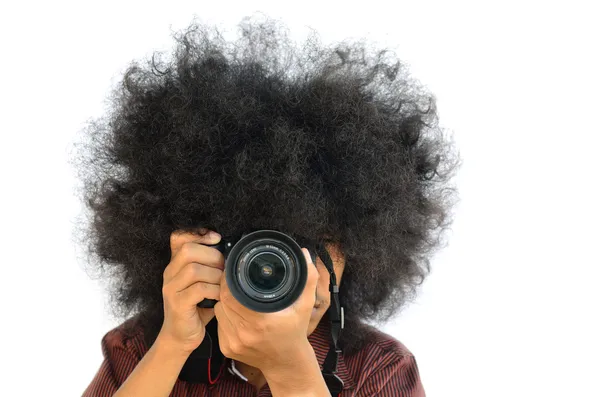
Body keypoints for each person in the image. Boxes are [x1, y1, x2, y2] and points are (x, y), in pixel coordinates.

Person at [75, 14, 458, 397]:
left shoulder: (380, 368)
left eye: (319, 241)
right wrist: (173, 346)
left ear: (363, 245)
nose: (297, 269)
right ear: (206, 243)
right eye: (261, 242)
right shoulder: (138, 351)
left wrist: (292, 370)